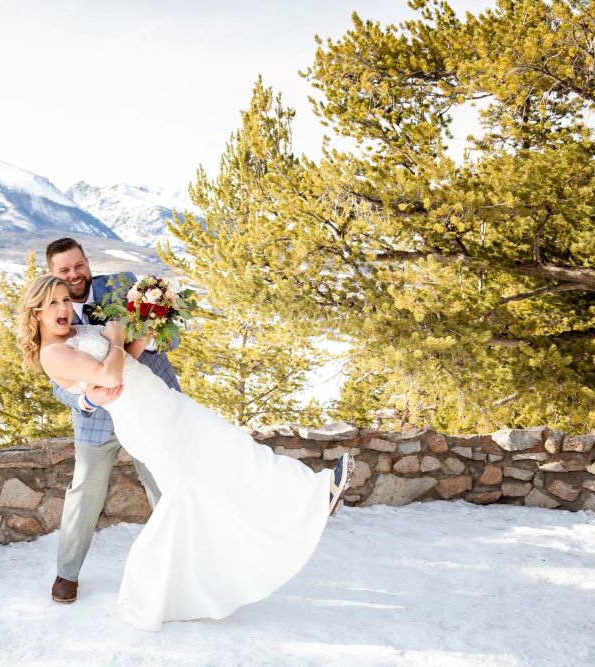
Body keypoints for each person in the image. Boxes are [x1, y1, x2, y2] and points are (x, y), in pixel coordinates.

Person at [18, 275, 354, 632]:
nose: (63, 308)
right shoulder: (52, 353)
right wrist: (115, 340)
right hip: (146, 420)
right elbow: (109, 375)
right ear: (36, 312)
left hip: (163, 403)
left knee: (230, 448)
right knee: (195, 487)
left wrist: (144, 331)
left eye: (65, 300)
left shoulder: (74, 335)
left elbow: (126, 362)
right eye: (52, 303)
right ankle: (165, 585)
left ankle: (308, 496)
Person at [44, 237, 182, 605]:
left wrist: (150, 336)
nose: (74, 275)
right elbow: (55, 379)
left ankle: (178, 564)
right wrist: (86, 399)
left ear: (88, 262)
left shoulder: (121, 284)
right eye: (64, 270)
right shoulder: (51, 313)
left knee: (163, 484)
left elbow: (173, 339)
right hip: (96, 418)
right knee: (84, 492)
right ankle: (66, 574)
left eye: (78, 265)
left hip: (148, 405)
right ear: (52, 274)